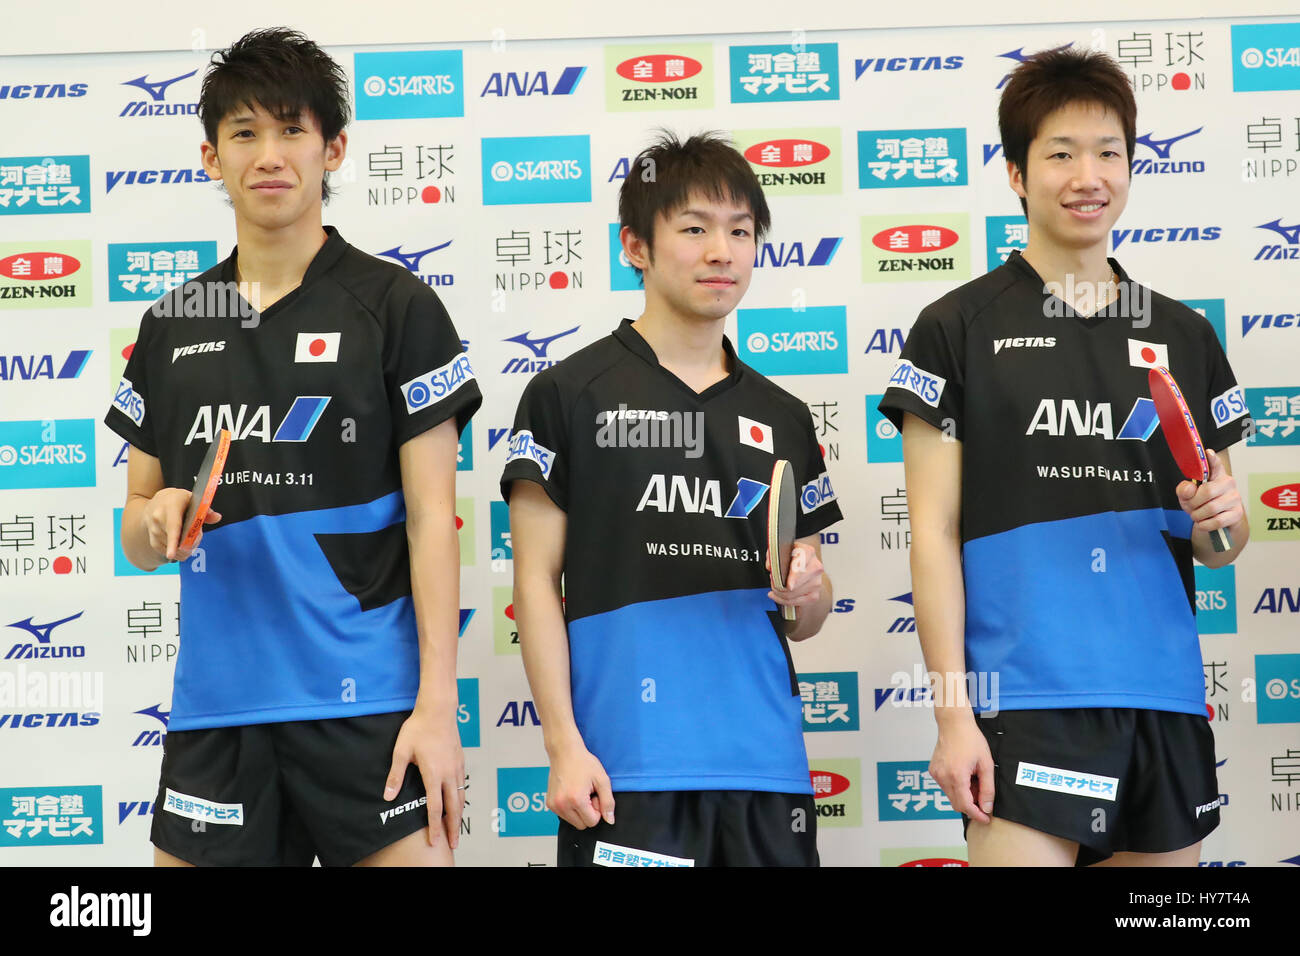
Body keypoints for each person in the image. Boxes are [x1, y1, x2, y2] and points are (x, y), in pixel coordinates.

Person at [105, 28, 480, 866]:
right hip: (219, 712)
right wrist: (158, 518)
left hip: (372, 709)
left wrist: (436, 707)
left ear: (332, 148)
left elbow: (432, 520)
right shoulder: (171, 324)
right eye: (244, 133)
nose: (268, 155)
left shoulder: (396, 305)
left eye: (291, 129)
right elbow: (135, 529)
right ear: (211, 155)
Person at [879, 48, 1251, 867]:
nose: (1089, 175)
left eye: (1109, 152)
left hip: (1163, 698)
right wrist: (952, 716)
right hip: (1026, 702)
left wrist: (1225, 523)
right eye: (1060, 153)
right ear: (1016, 173)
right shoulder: (957, 329)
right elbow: (933, 534)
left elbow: (1221, 547)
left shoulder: (1186, 336)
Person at [502, 131, 841, 867]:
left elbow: (806, 613)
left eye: (740, 231)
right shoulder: (567, 395)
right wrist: (563, 745)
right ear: (636, 247)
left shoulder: (784, 416)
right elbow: (534, 581)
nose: (721, 251)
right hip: (626, 770)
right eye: (694, 229)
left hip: (766, 768)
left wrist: (808, 591)